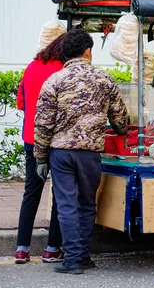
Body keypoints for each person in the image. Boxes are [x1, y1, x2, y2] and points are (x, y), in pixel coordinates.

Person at [34, 29, 128, 274]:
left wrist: (40, 157)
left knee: (66, 204)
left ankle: (73, 259)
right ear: (87, 52)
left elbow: (43, 123)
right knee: (87, 204)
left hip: (61, 153)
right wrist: (118, 129)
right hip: (90, 154)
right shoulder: (105, 79)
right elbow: (120, 121)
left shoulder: (54, 81)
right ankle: (83, 256)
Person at [15, 34, 66, 264]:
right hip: (56, 141)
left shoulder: (31, 66)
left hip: (30, 139)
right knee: (59, 193)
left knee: (31, 192)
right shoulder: (63, 69)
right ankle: (52, 248)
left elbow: (21, 103)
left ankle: (22, 249)